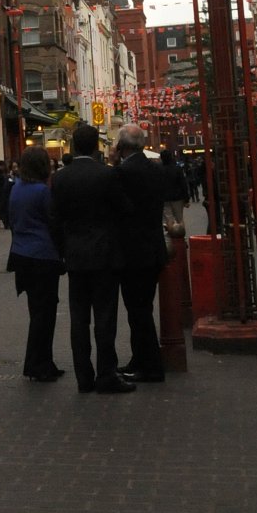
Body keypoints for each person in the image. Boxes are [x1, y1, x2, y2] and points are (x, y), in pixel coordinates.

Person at [50, 123, 132, 394]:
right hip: (105, 255)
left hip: (76, 257)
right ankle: (106, 374)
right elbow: (125, 211)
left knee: (79, 318)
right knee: (105, 317)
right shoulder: (107, 175)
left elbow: (54, 219)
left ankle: (83, 376)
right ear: (97, 144)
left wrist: (63, 249)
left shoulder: (61, 178)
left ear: (74, 145)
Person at [5, 146, 64, 382]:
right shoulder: (42, 191)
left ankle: (43, 362)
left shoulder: (16, 188)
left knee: (36, 312)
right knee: (45, 314)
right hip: (43, 256)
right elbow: (53, 222)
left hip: (21, 255)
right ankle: (37, 364)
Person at [113, 125, 166, 384]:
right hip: (153, 248)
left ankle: (151, 366)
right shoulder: (154, 168)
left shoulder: (124, 172)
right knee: (143, 307)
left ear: (121, 147)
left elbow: (120, 209)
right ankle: (140, 359)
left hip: (133, 252)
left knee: (138, 312)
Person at [159, 146, 189, 235]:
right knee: (180, 219)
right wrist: (186, 199)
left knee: (169, 219)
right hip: (178, 198)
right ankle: (182, 238)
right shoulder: (177, 169)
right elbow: (183, 184)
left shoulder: (159, 170)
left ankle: (171, 238)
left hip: (165, 198)